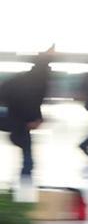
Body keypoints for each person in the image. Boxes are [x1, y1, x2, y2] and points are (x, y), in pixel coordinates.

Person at [0, 49, 52, 184]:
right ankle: (24, 190)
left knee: (27, 156)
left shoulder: (21, 77)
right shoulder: (40, 82)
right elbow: (33, 101)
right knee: (28, 161)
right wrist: (35, 118)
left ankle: (22, 186)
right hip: (20, 122)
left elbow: (4, 92)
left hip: (13, 118)